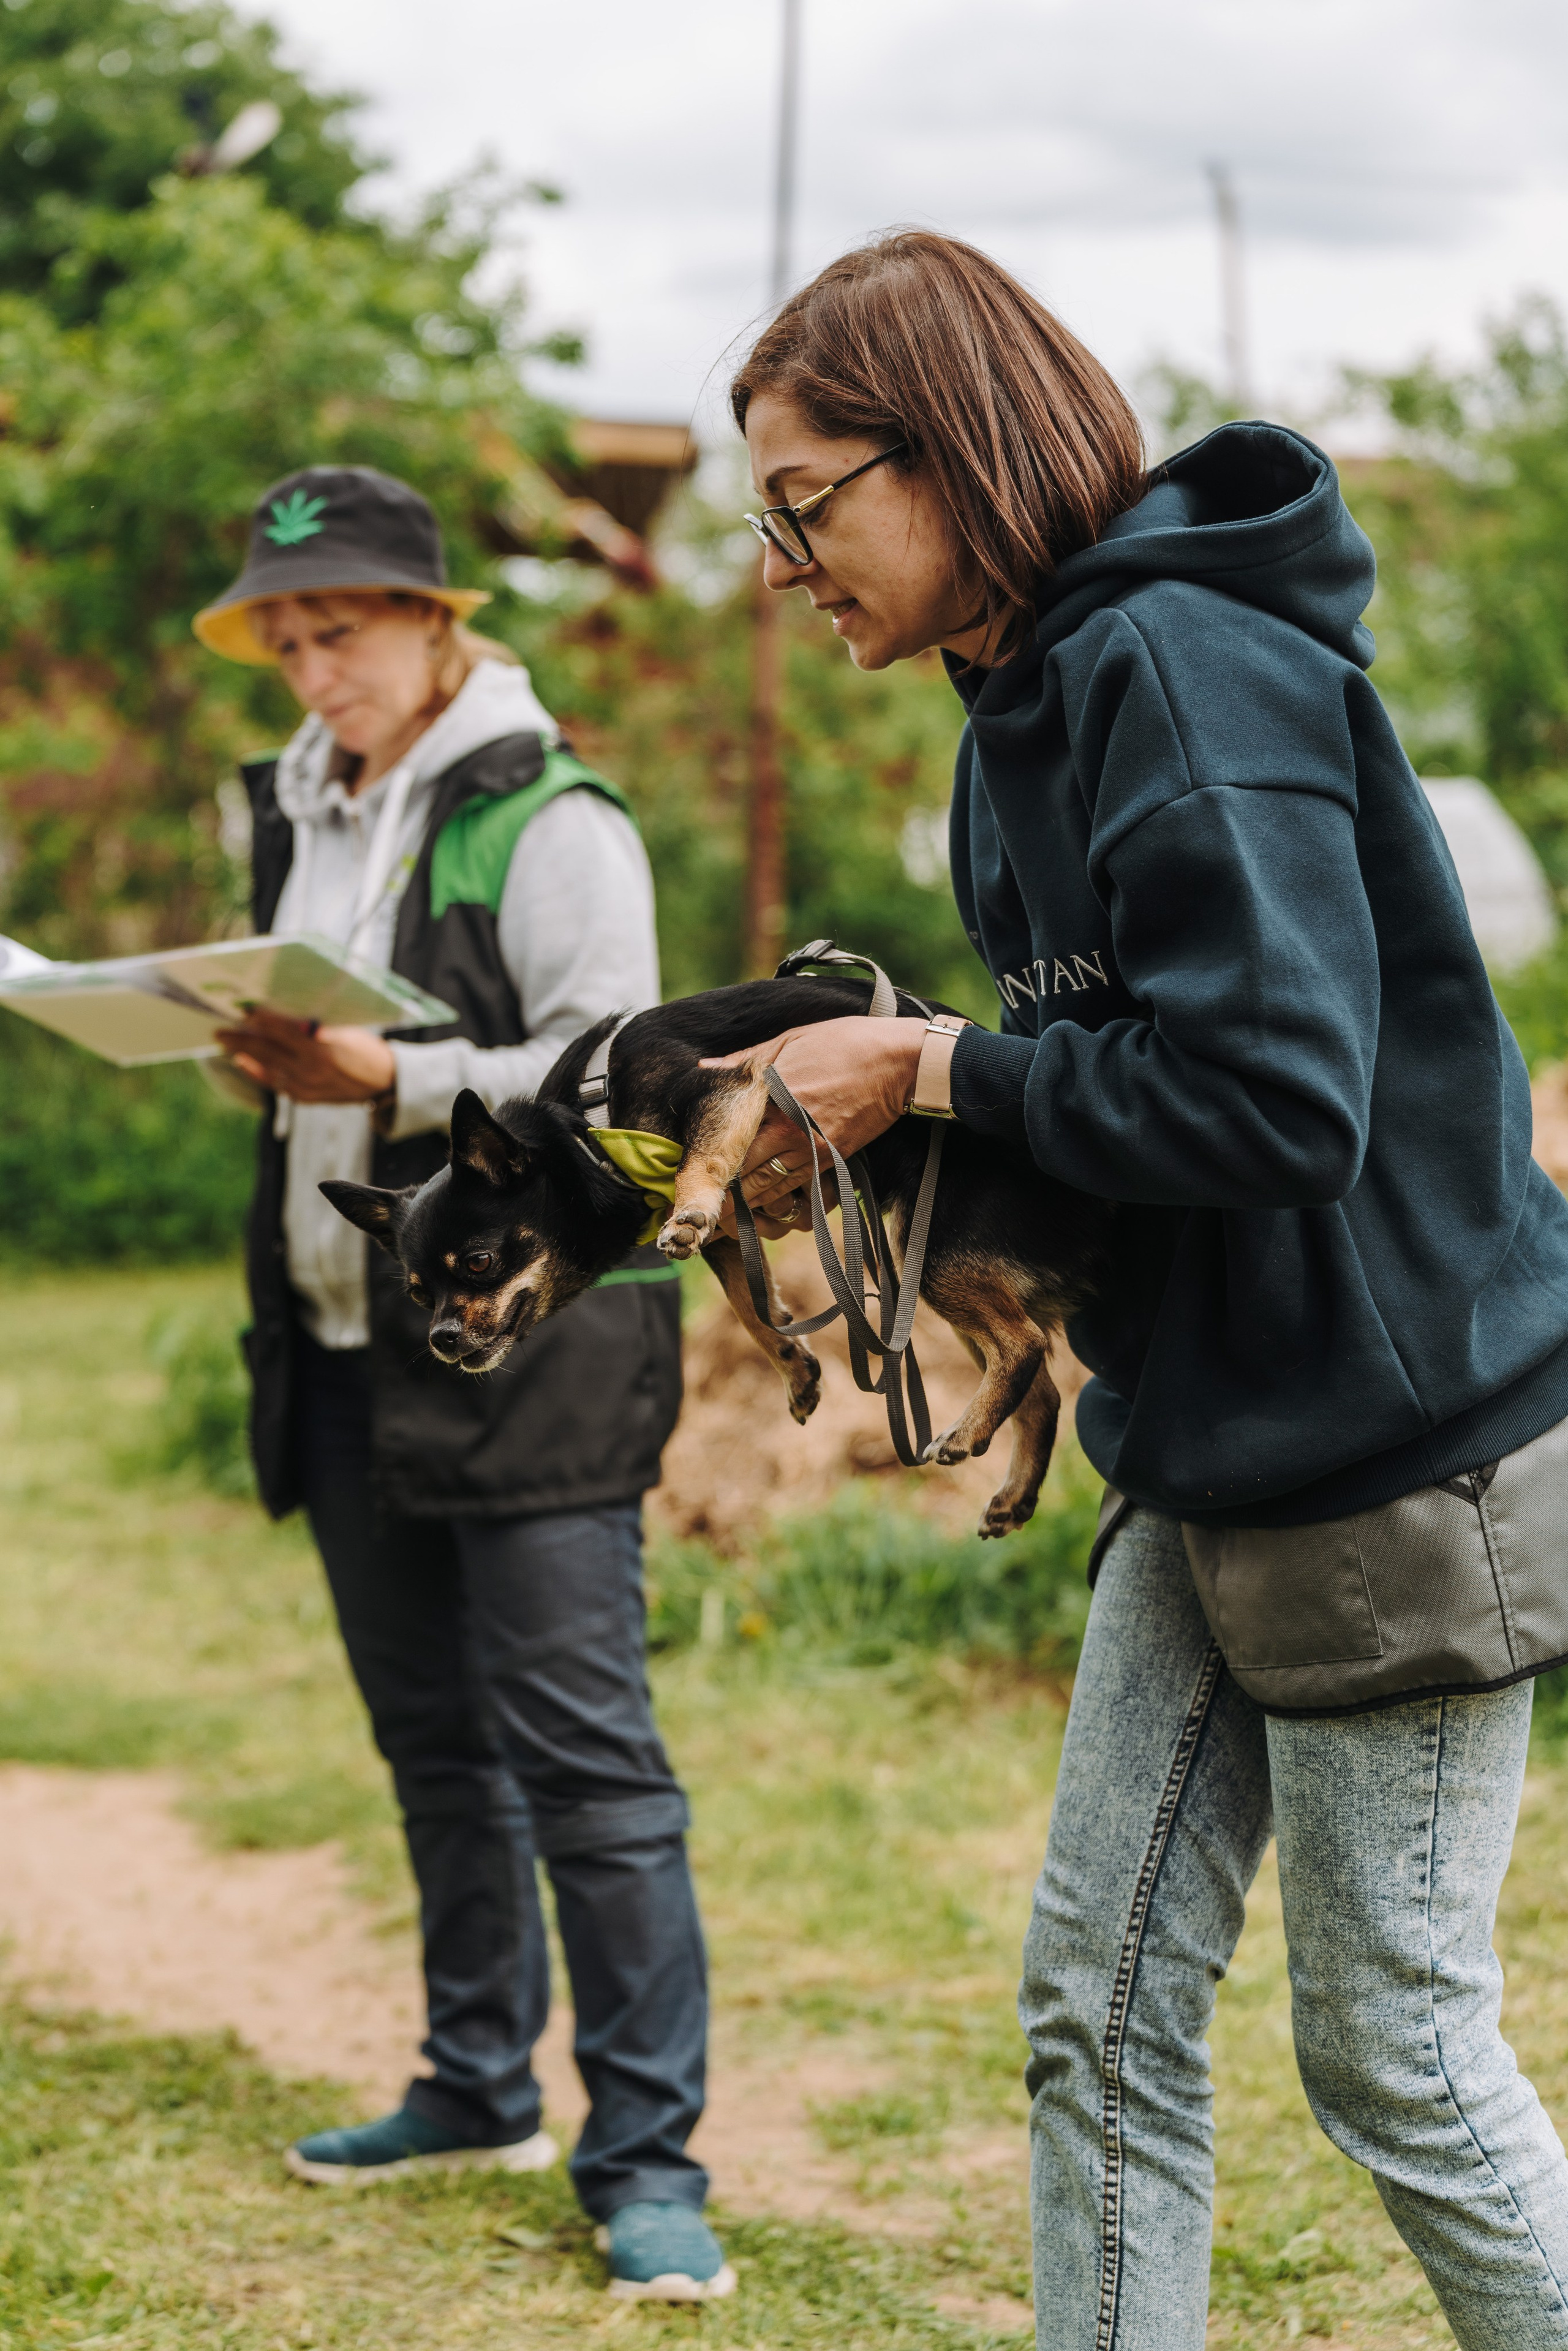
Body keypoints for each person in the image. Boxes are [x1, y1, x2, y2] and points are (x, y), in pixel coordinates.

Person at [723, 232, 1568, 2349]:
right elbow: (1124, 1073)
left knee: (1397, 2056)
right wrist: (903, 1126)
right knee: (1094, 2010)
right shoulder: (1019, 704)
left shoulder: (1185, 666)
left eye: (801, 505)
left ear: (951, 455)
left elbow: (1284, 1103)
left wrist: (927, 1064)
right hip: (1204, 1447)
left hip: (1395, 1461)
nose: (777, 565)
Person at [192, 465, 734, 2304]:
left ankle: (649, 2161)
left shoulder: (551, 817)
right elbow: (335, 1051)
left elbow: (618, 1080)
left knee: (588, 1772)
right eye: (286, 638)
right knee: (434, 1749)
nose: (310, 666)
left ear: (438, 626)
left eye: (339, 629)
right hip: (346, 1343)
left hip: (539, 1356)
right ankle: (474, 2082)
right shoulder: (295, 805)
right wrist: (276, 1071)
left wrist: (387, 1073)